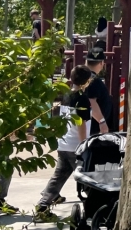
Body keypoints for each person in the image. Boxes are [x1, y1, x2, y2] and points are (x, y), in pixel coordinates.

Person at [35, 66, 92, 221]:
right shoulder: (82, 99)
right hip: (76, 145)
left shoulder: (66, 95)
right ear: (87, 81)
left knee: (58, 176)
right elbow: (80, 123)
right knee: (87, 178)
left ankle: (42, 206)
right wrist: (83, 145)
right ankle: (94, 208)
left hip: (64, 143)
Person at [83, 46, 115, 134]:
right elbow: (91, 102)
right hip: (93, 128)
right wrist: (102, 122)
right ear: (102, 63)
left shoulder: (81, 77)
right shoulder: (93, 80)